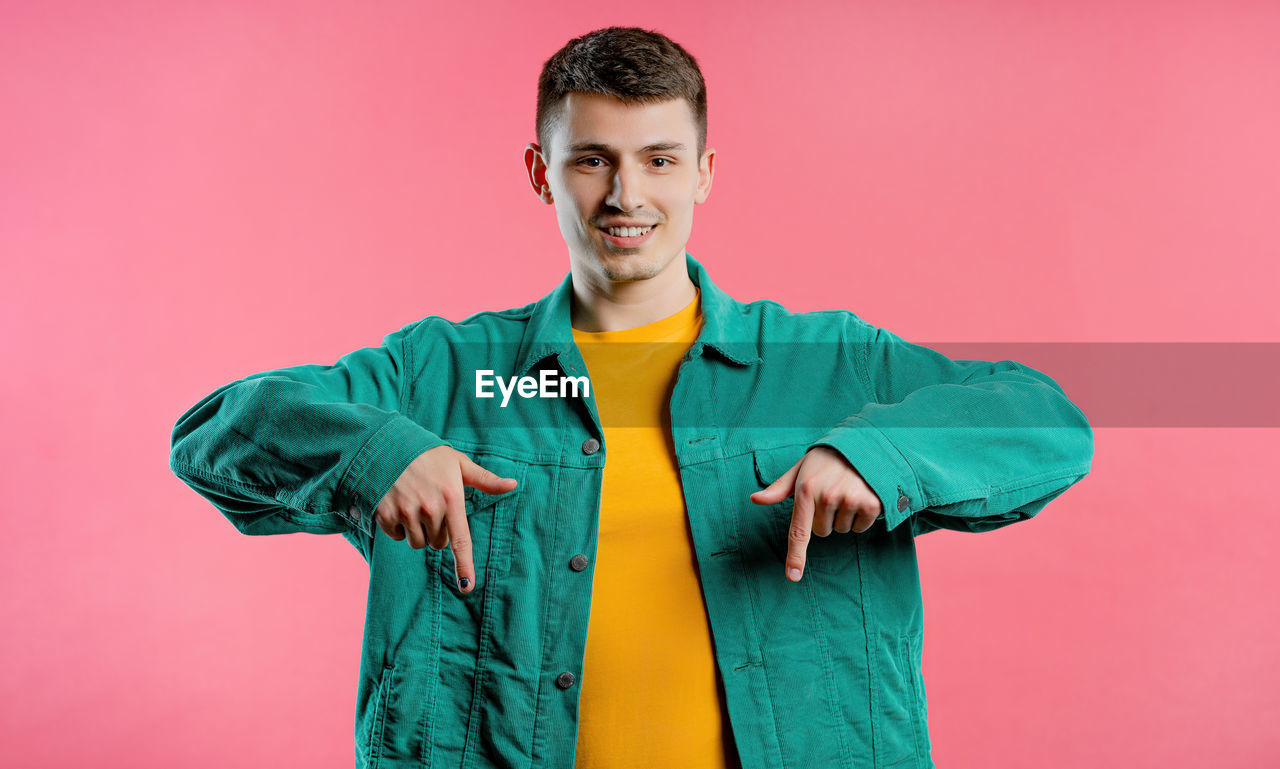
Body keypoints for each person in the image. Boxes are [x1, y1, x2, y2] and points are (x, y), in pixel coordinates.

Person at [169, 25, 1094, 769]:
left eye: (658, 159)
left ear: (704, 173)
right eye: (591, 160)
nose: (626, 194)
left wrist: (876, 457)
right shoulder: (442, 371)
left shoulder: (828, 363)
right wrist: (377, 454)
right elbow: (213, 433)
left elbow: (1046, 418)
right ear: (541, 172)